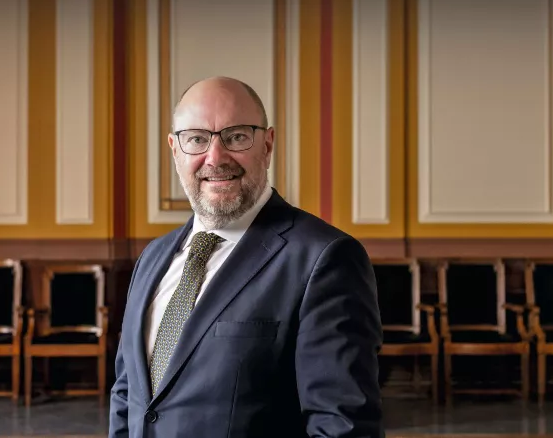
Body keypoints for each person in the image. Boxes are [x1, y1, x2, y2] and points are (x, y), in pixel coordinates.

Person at [109, 76, 384, 437]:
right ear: (175, 150)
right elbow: (127, 396)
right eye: (197, 139)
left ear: (267, 145)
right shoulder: (152, 258)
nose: (216, 157)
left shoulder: (324, 258)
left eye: (236, 136)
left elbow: (342, 426)